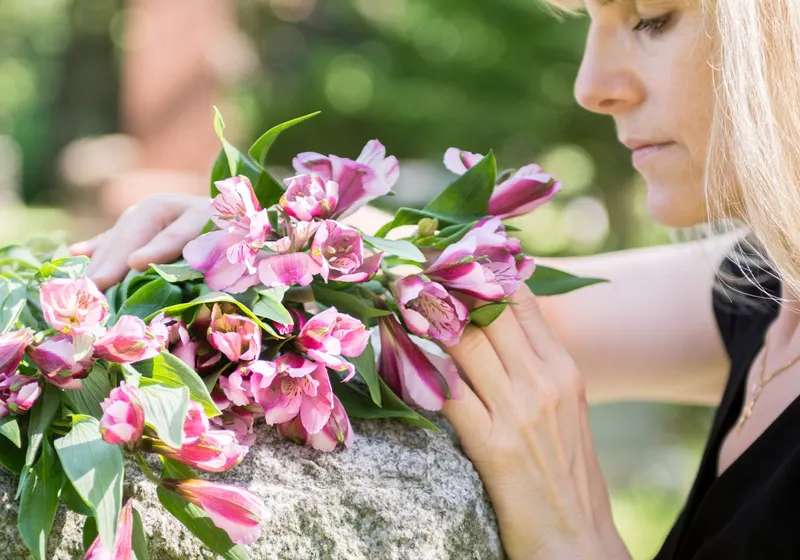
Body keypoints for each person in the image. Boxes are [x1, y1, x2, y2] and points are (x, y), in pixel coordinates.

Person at [70, 0, 800, 557]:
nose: (591, 85)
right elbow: (490, 315)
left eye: (651, 18)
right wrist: (267, 241)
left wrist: (577, 542)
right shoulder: (770, 291)